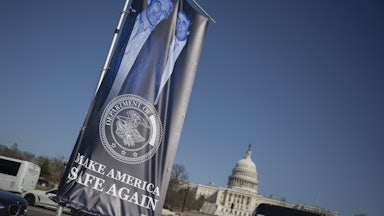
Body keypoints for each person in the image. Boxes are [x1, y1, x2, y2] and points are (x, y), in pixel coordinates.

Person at [109, 0, 174, 99]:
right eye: (158, 5)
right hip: (105, 89)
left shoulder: (160, 50)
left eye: (164, 12)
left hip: (125, 100)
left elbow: (152, 84)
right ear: (148, 1)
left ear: (165, 17)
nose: (158, 13)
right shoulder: (125, 21)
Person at [154, 11, 191, 104]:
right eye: (178, 20)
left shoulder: (189, 57)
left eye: (184, 23)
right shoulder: (162, 41)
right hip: (146, 91)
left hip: (163, 104)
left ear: (189, 30)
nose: (179, 24)